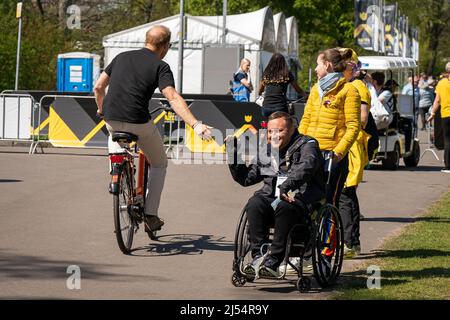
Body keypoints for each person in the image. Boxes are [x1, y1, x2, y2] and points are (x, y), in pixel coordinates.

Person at [94, 25, 213, 234]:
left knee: (115, 137)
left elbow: (98, 87)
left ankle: (115, 170)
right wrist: (195, 124)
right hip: (138, 122)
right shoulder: (161, 65)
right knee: (159, 163)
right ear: (165, 46)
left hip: (111, 118)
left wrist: (102, 109)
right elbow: (173, 97)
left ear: (146, 40)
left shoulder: (121, 57)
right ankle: (150, 214)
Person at [227, 111, 325, 277]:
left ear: (292, 129)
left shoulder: (307, 144)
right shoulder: (267, 151)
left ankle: (274, 259)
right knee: (255, 202)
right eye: (270, 131)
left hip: (300, 199)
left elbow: (306, 168)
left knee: (285, 206)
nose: (274, 135)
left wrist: (286, 186)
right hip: (272, 198)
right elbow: (247, 178)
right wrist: (233, 153)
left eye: (279, 131)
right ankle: (258, 255)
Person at [299, 48, 361, 207]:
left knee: (328, 202)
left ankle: (329, 232)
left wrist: (338, 153)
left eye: (317, 64)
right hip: (310, 152)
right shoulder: (315, 89)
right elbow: (306, 119)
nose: (315, 69)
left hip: (332, 155)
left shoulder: (349, 90)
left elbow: (353, 127)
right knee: (304, 199)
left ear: (327, 65)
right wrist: (298, 144)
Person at [338, 48, 371, 258]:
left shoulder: (358, 87)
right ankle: (353, 242)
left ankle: (350, 243)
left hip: (353, 147)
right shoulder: (348, 85)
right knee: (347, 194)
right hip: (347, 146)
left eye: (344, 63)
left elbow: (363, 119)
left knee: (346, 194)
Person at [258, 53, 307, 118]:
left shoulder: (266, 73)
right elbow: (298, 90)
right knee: (287, 123)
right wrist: (306, 96)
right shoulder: (286, 73)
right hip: (280, 107)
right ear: (283, 62)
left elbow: (260, 90)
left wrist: (261, 93)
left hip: (266, 108)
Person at [427, 62, 450, 173]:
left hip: (446, 114)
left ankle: (448, 165)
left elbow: (437, 100)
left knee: (448, 139)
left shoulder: (441, 83)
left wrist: (432, 113)